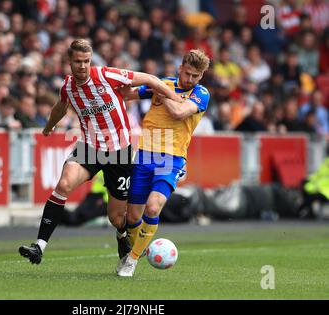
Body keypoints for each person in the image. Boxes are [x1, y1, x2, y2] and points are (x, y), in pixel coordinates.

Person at [18, 38, 182, 265]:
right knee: (64, 184)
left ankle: (122, 235)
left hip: (119, 153)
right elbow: (61, 106)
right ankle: (39, 246)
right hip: (90, 148)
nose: (82, 66)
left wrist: (177, 99)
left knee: (116, 217)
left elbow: (152, 80)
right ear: (69, 61)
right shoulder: (68, 86)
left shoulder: (107, 75)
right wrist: (49, 126)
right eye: (78, 61)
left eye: (86, 61)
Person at [116, 49, 211, 277]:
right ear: (180, 68)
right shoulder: (163, 83)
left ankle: (132, 260)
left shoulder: (201, 93)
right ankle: (140, 248)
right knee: (131, 217)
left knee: (153, 205)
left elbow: (179, 112)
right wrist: (125, 78)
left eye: (195, 76)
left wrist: (162, 92)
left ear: (201, 77)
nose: (190, 80)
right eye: (187, 73)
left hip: (172, 157)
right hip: (145, 154)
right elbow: (127, 95)